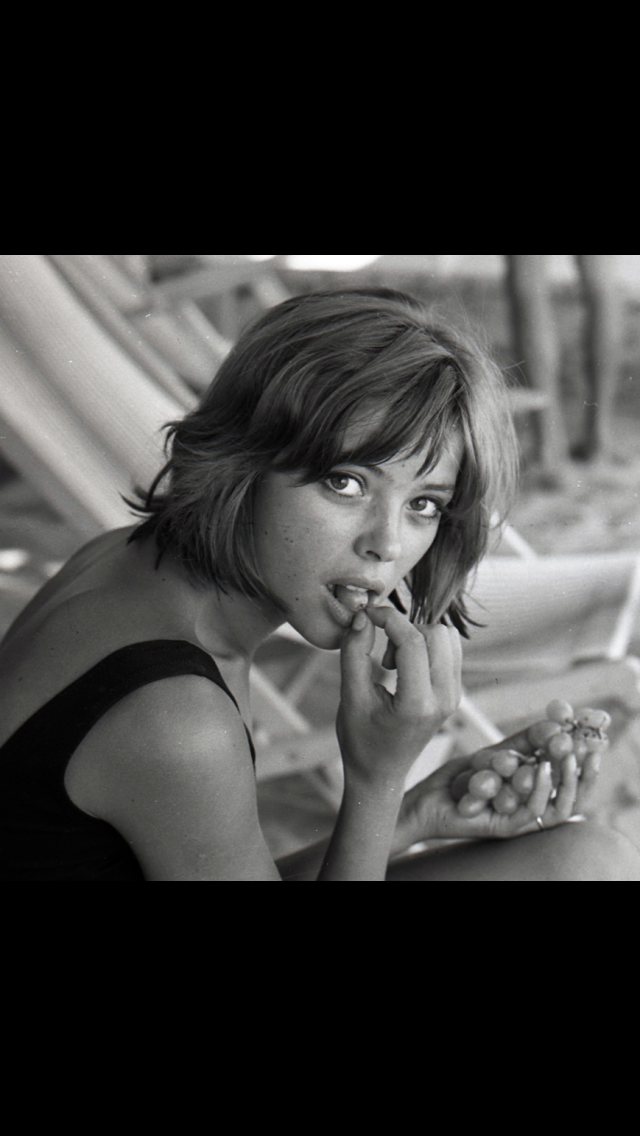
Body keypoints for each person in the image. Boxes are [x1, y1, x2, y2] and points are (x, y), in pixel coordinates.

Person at [1, 287, 639, 881]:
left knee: (587, 857)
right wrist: (377, 780)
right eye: (347, 482)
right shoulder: (176, 715)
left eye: (423, 504)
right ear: (245, 460)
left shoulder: (127, 561)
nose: (388, 544)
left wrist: (413, 814)